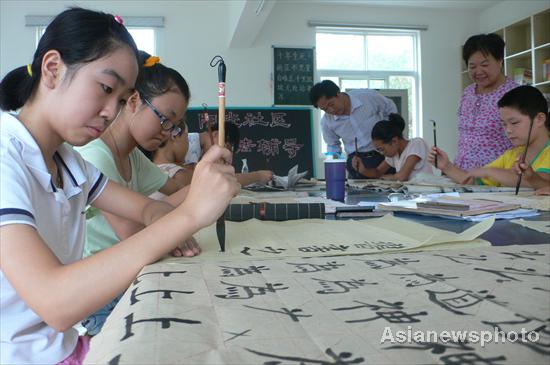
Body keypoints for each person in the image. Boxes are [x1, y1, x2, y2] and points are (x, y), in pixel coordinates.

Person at [0, 8, 239, 364]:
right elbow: (55, 303)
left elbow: (145, 208)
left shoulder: (67, 159)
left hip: (63, 347)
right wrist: (189, 215)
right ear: (53, 69)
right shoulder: (7, 155)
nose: (111, 112)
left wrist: (185, 202)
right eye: (105, 88)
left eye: (121, 97)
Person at [76, 51, 203, 335]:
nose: (168, 133)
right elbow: (131, 232)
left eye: (175, 126)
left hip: (130, 276)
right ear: (134, 101)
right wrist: (195, 200)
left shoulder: (133, 158)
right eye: (164, 119)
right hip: (102, 292)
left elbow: (174, 192)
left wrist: (203, 182)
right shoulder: (95, 155)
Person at [429, 86, 549, 187]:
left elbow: (542, 183)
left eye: (514, 123)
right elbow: (473, 181)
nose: (508, 130)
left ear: (539, 119)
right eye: (504, 124)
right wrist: (446, 166)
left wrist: (490, 171)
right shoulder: (511, 155)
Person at [454, 33, 519, 170]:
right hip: (462, 174)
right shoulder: (468, 92)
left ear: (500, 61)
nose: (478, 71)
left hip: (497, 177)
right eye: (472, 66)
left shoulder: (514, 93)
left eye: (484, 64)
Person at [309, 80, 397, 178]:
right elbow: (333, 147)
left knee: (390, 190)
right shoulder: (326, 122)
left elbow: (389, 107)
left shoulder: (367, 97)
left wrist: (389, 130)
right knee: (357, 192)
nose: (331, 110)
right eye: (325, 109)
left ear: (338, 93)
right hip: (356, 162)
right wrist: (335, 171)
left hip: (385, 156)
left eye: (331, 104)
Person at [184, 122, 274, 186]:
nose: (222, 154)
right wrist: (258, 176)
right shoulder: (189, 143)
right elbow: (218, 180)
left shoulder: (199, 149)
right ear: (215, 134)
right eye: (225, 147)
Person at [352, 113, 432, 181]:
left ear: (394, 141)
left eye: (382, 149)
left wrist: (388, 178)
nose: (382, 153)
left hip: (425, 194)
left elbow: (402, 176)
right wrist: (363, 170)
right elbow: (377, 172)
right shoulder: (394, 154)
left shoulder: (417, 144)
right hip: (411, 194)